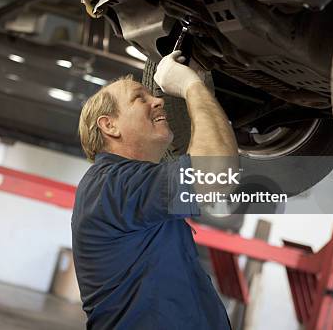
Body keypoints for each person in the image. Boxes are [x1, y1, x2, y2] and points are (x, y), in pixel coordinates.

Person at [72, 51, 239, 329]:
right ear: (109, 125)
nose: (158, 100)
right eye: (140, 98)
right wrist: (190, 85)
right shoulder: (113, 185)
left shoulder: (121, 183)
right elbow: (216, 173)